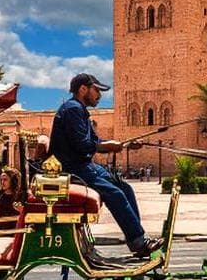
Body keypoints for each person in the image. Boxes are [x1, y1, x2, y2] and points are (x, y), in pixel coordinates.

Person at [49, 73, 162, 257]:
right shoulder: (72, 110)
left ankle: (138, 240)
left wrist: (124, 145)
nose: (99, 96)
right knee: (115, 194)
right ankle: (139, 242)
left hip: (85, 166)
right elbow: (83, 145)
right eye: (97, 90)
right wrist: (110, 146)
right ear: (83, 89)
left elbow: (95, 141)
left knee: (124, 188)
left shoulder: (80, 111)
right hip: (73, 168)